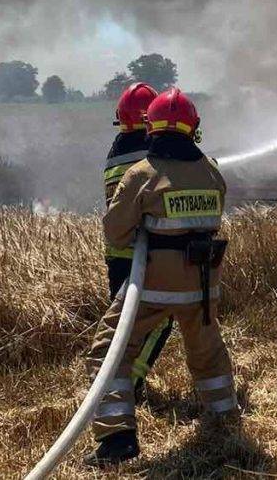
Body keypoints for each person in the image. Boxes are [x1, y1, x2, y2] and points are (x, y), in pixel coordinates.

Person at [84, 88, 237, 467]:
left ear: (150, 128)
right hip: (202, 286)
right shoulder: (213, 172)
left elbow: (115, 232)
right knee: (208, 354)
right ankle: (225, 420)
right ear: (193, 129)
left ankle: (117, 441)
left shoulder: (142, 174)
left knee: (108, 352)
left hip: (154, 286)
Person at [102, 82, 173, 396]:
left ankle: (111, 380)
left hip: (117, 253)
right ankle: (129, 385)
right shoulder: (152, 150)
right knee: (159, 320)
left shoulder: (115, 151)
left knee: (124, 326)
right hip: (143, 254)